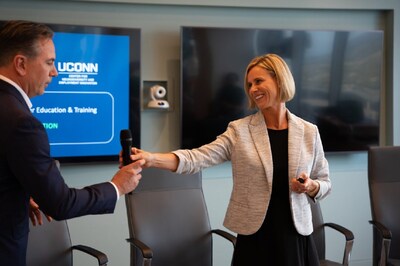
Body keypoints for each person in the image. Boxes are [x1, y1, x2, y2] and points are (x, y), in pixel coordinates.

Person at [127, 53, 331, 265]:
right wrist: (151, 159)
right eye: (250, 84)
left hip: (295, 236)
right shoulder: (239, 130)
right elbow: (197, 158)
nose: (252, 89)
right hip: (255, 237)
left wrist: (310, 186)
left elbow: (325, 182)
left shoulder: (309, 131)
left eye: (259, 81)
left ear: (279, 80)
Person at [0, 20, 145, 266]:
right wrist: (117, 186)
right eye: (49, 63)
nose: (55, 72)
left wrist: (17, 195)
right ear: (21, 64)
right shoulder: (21, 122)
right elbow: (61, 204)